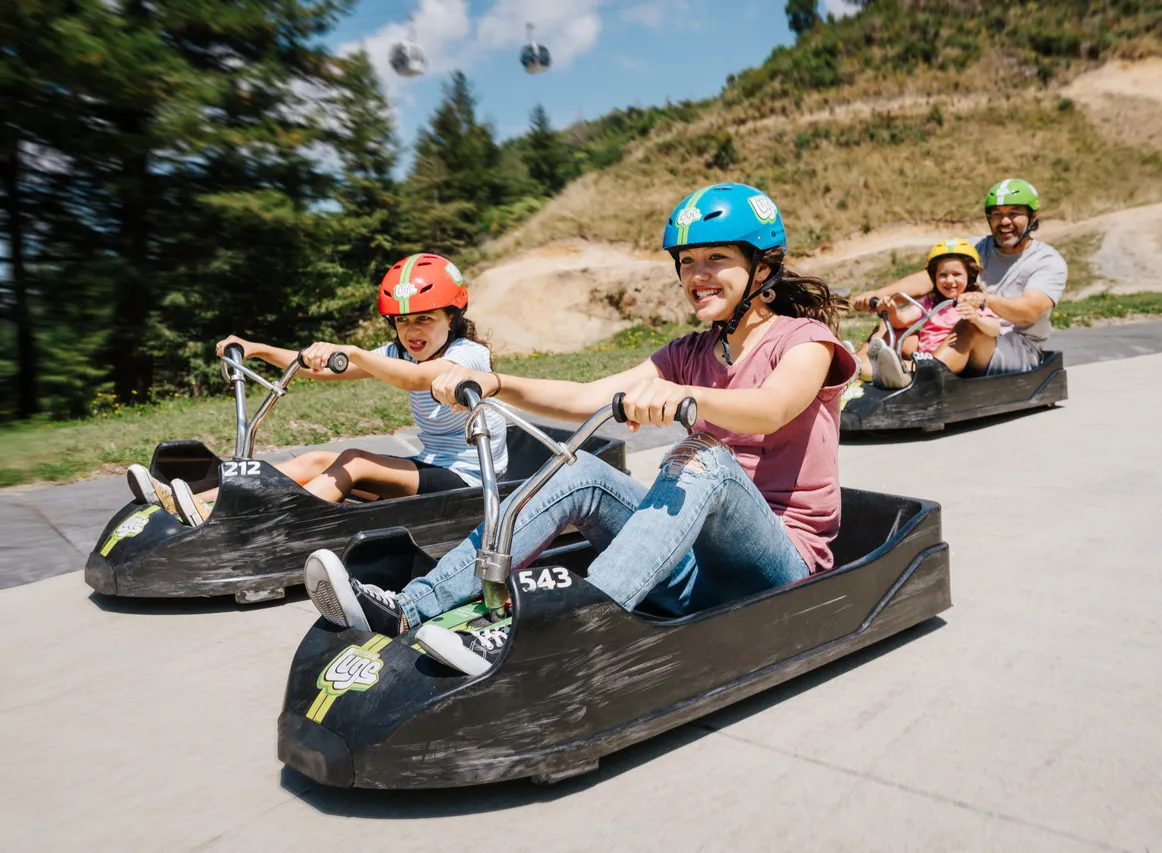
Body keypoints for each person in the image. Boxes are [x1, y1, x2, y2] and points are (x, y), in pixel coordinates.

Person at [302, 182, 857, 675]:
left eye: (717, 258)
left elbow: (772, 407)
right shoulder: (689, 352)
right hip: (691, 562)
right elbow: (585, 397)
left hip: (778, 564)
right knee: (579, 470)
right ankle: (408, 608)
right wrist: (495, 382)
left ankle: (574, 625)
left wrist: (684, 396)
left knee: (702, 455)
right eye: (687, 262)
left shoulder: (805, 341)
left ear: (760, 267)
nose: (698, 275)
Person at [125, 253, 507, 526]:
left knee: (355, 461)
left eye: (425, 319)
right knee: (315, 460)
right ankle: (194, 502)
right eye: (402, 321)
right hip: (431, 465)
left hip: (473, 480)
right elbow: (321, 372)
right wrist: (257, 348)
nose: (412, 331)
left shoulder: (468, 354)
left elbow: (417, 378)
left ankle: (268, 526)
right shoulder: (399, 353)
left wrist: (352, 351)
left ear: (452, 317)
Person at [853, 178, 1068, 379]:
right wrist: (878, 296)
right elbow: (928, 278)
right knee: (891, 324)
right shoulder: (975, 248)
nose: (1004, 221)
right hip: (959, 338)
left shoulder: (1047, 261)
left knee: (968, 326)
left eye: (1014, 213)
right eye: (997, 214)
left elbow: (1029, 310)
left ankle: (915, 375)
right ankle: (857, 368)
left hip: (1015, 349)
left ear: (1033, 217)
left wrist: (986, 300)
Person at [867, 239, 1001, 389]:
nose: (949, 280)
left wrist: (977, 319)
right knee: (893, 331)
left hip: (953, 361)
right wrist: (892, 311)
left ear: (969, 276)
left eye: (957, 274)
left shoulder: (973, 301)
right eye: (943, 275)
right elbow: (903, 320)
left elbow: (995, 329)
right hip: (926, 356)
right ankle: (867, 364)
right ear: (934, 277)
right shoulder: (930, 302)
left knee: (965, 327)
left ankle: (904, 371)